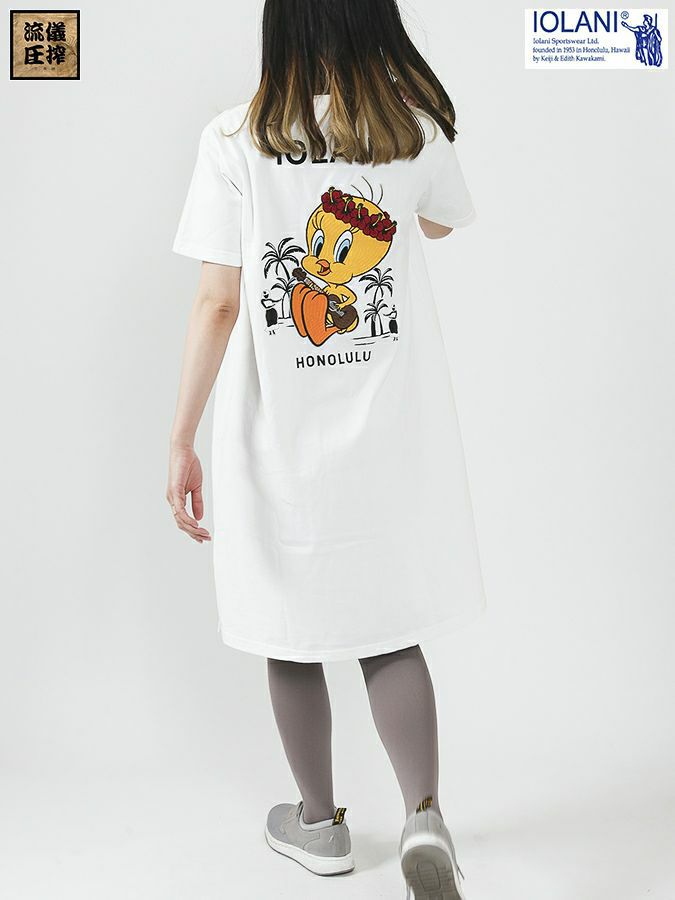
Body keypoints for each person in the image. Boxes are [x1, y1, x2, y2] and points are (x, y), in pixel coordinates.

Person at [167, 1, 486, 897]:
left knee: (291, 631)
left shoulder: (233, 138)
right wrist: (402, 113)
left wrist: (180, 437)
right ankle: (424, 815)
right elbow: (436, 224)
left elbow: (218, 302)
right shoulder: (407, 129)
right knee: (387, 632)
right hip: (386, 444)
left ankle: (319, 825)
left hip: (277, 441)